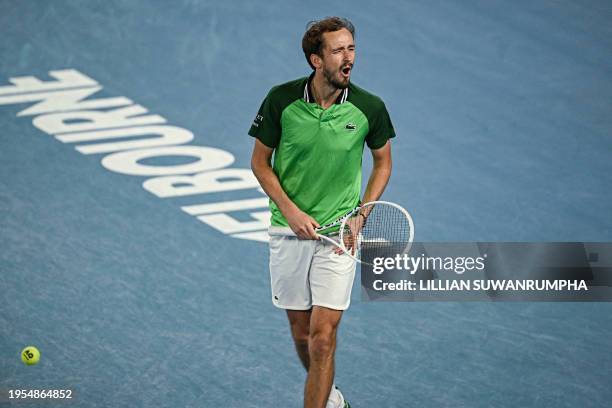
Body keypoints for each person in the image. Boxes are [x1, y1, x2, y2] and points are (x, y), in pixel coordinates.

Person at [249, 16, 395, 408]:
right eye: (338, 51)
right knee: (301, 335)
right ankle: (331, 400)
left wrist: (361, 215)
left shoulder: (370, 107)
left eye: (351, 48)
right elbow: (260, 163)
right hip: (288, 231)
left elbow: (383, 162)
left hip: (339, 235)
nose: (349, 58)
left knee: (322, 338)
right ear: (316, 60)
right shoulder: (281, 100)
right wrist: (291, 211)